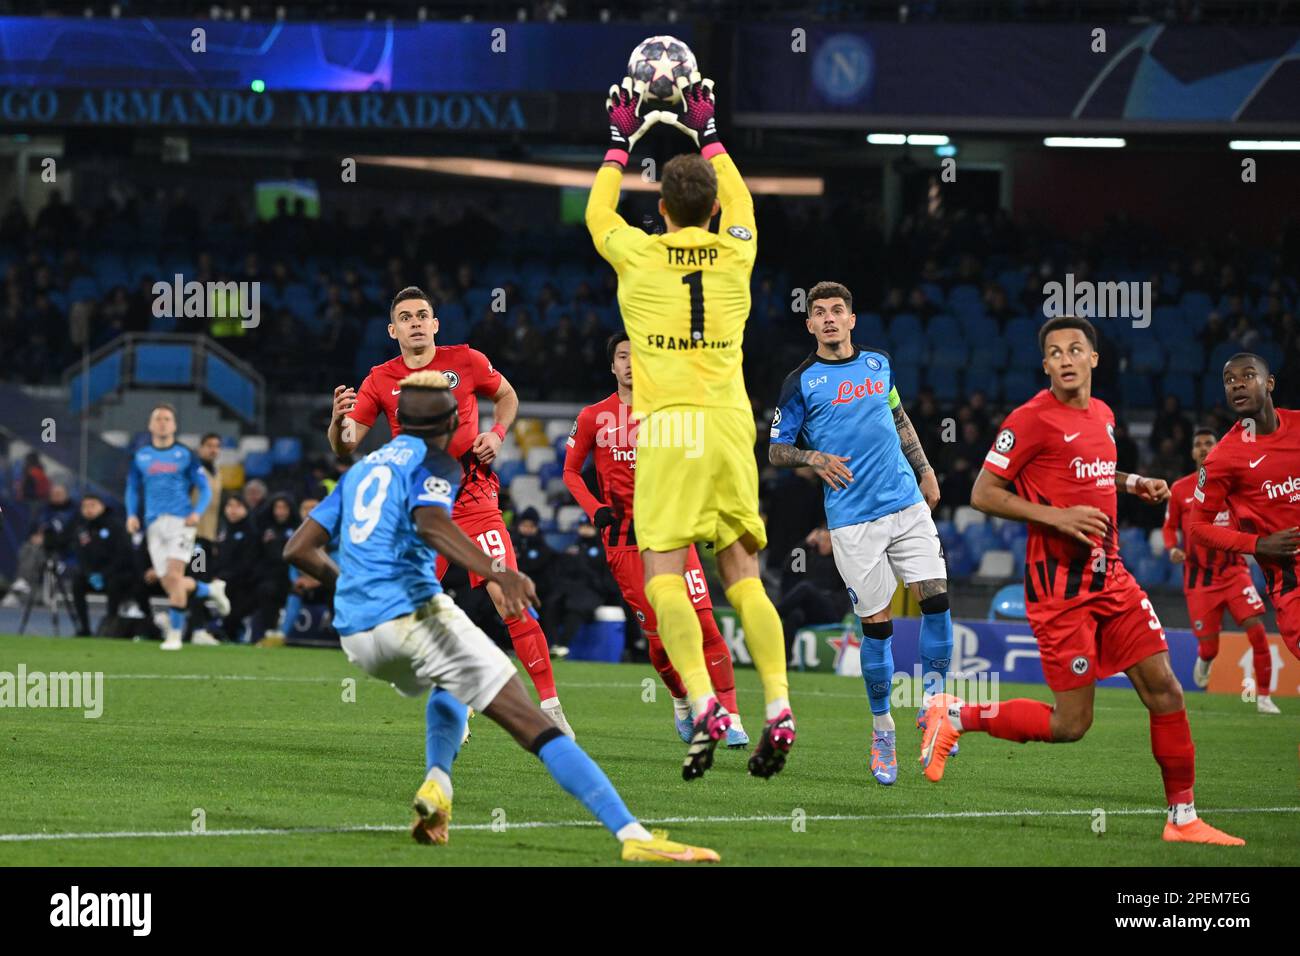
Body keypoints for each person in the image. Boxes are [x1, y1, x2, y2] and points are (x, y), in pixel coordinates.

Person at [285, 370, 718, 862]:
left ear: (398, 422)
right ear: (451, 422)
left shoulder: (362, 469)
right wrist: (499, 572)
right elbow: (431, 524)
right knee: (530, 722)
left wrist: (354, 592)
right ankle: (632, 836)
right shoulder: (441, 462)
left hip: (359, 636)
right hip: (413, 615)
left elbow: (299, 548)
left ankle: (437, 784)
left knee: (453, 684)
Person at [940, 316, 1243, 846]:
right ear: (1046, 366)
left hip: (1112, 576)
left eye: (1075, 349)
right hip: (1058, 588)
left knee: (1167, 691)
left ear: (1093, 359)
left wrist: (1133, 482)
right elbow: (983, 493)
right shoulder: (1030, 419)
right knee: (1070, 725)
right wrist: (1057, 517)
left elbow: (1094, 470)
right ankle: (957, 716)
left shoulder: (1102, 414)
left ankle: (1183, 819)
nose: (1065, 358)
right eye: (1055, 352)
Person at [586, 73, 792, 780]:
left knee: (665, 573)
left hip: (670, 426)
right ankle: (779, 702)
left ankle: (704, 701)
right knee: (744, 575)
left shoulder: (638, 255)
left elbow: (597, 214)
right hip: (734, 425)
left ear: (664, 208)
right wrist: (710, 130)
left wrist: (621, 139)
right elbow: (739, 198)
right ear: (707, 208)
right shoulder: (738, 248)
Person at [327, 287, 574, 737]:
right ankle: (456, 699)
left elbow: (508, 396)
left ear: (436, 323)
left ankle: (551, 707)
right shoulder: (380, 379)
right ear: (393, 330)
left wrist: (499, 434)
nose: (416, 322)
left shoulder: (467, 360)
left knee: (508, 595)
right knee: (416, 612)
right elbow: (348, 443)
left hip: (476, 497)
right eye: (406, 317)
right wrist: (335, 422)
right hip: (422, 506)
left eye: (423, 315)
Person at [769, 281, 951, 786]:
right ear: (809, 325)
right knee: (878, 626)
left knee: (936, 600)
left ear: (852, 319)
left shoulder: (878, 363)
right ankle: (882, 730)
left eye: (837, 310)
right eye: (819, 312)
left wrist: (926, 468)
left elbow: (897, 416)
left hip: (906, 504)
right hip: (852, 521)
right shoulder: (800, 382)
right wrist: (813, 456)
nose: (829, 318)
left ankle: (934, 706)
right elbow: (776, 450)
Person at [564, 330, 746, 745]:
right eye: (623, 356)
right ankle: (682, 700)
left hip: (674, 533)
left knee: (705, 623)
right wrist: (596, 511)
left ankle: (731, 715)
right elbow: (570, 472)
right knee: (661, 639)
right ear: (613, 366)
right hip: (625, 541)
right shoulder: (593, 416)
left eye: (638, 356)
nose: (630, 363)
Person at [1190, 352, 1300, 664]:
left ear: (1270, 383)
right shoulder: (1224, 458)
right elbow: (1197, 528)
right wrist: (1257, 545)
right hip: (1292, 584)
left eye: (1248, 376)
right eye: (1229, 380)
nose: (1237, 385)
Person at [1162, 426, 1276, 713]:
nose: (1203, 448)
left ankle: (1263, 697)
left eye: (1209, 443)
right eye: (1198, 443)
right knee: (1210, 648)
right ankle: (1205, 658)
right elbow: (1169, 526)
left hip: (1235, 573)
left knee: (1258, 632)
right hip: (1199, 580)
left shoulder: (1235, 486)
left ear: (1217, 447)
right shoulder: (1180, 489)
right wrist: (1172, 547)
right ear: (1192, 451)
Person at [125, 405, 230, 649]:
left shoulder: (185, 455)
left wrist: (196, 513)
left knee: (174, 576)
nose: (162, 422)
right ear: (151, 425)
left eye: (167, 419)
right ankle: (209, 589)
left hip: (180, 523)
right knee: (169, 583)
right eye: (158, 418)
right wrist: (131, 515)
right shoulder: (141, 456)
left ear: (174, 426)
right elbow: (132, 488)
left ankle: (175, 635)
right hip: (153, 524)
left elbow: (204, 488)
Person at [70, 493, 135, 637]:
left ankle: (111, 626)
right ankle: (84, 628)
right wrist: (89, 574)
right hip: (92, 574)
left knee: (115, 584)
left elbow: (123, 555)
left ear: (102, 506)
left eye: (92, 505)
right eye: (85, 506)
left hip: (115, 574)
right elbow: (81, 555)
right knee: (77, 582)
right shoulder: (81, 528)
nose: (88, 509)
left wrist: (104, 574)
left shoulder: (115, 526)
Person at [214, 494, 261, 642]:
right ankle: (196, 630)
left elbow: (247, 564)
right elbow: (200, 553)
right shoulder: (215, 529)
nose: (232, 510)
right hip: (212, 580)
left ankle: (225, 631)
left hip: (240, 584)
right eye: (229, 506)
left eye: (237, 506)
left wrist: (221, 577)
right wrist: (202, 574)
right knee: (195, 584)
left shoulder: (251, 532)